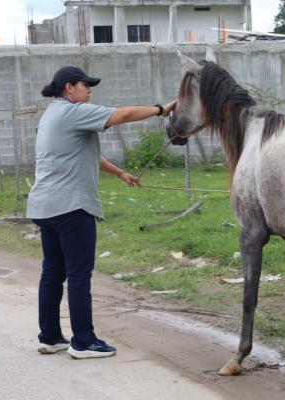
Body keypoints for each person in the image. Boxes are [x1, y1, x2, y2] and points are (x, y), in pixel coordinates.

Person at [27, 66, 176, 359]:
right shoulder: (72, 111)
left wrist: (120, 173)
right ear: (69, 88)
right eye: (86, 85)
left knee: (53, 273)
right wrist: (160, 110)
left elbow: (85, 154)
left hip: (46, 206)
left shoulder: (53, 114)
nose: (90, 90)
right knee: (79, 273)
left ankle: (50, 337)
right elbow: (121, 115)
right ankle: (83, 341)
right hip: (71, 206)